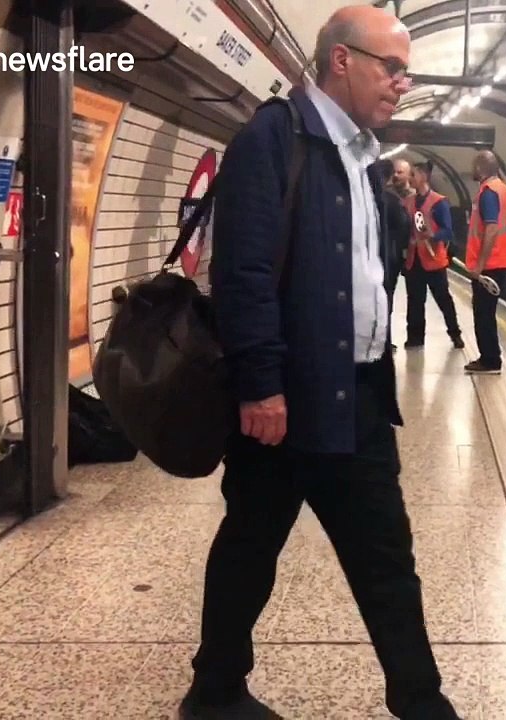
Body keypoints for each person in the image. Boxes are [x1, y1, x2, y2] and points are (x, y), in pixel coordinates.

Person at [184, 7, 461, 720]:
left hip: (361, 395)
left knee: (388, 562)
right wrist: (261, 384)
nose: (403, 83)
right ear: (342, 61)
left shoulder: (364, 157)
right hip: (286, 398)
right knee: (250, 548)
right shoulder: (273, 141)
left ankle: (422, 703)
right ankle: (214, 692)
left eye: (407, 71)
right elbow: (242, 274)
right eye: (392, 67)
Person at [463, 150, 506, 375]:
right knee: (486, 313)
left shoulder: (488, 193)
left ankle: (490, 360)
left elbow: (492, 228)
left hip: (490, 266)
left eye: (474, 165)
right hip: (500, 261)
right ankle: (490, 357)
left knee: (483, 314)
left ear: (480, 168)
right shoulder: (503, 189)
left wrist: (479, 266)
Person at [402, 160, 463, 349]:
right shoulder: (408, 202)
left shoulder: (438, 202)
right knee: (415, 302)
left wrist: (433, 236)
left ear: (424, 177)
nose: (410, 178)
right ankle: (415, 338)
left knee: (443, 299)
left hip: (434, 261)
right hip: (414, 261)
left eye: (413, 174)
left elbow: (448, 231)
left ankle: (455, 334)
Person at [374, 158, 411, 324]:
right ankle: (384, 339)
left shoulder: (370, 196)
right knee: (387, 296)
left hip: (371, 254)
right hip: (390, 256)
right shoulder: (394, 201)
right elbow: (404, 226)